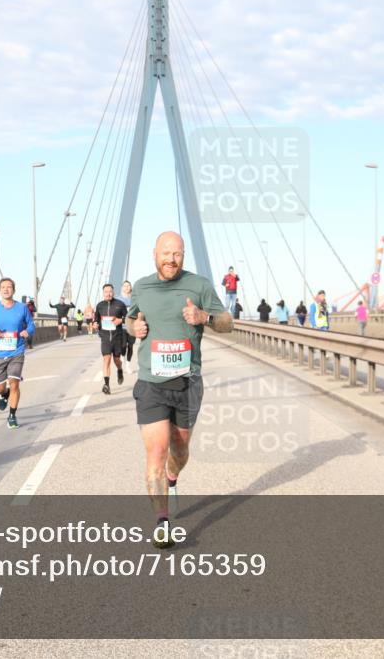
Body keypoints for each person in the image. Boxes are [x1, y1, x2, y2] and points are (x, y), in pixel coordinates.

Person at [126, 231, 233, 548]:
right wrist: (137, 328)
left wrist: (204, 316)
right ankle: (162, 522)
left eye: (178, 254)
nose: (171, 259)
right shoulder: (142, 286)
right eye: (166, 253)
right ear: (154, 253)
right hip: (151, 383)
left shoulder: (199, 285)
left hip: (187, 383)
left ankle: (174, 478)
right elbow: (133, 320)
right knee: (156, 452)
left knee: (179, 449)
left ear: (183, 256)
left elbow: (228, 322)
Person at [0, 277, 35, 429]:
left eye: (9, 287)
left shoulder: (22, 308)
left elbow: (31, 324)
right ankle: (4, 394)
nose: (6, 289)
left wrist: (27, 331)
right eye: (3, 287)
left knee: (14, 383)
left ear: (14, 290)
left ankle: (12, 415)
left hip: (17, 351)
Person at [94, 283, 128, 395]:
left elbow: (128, 318)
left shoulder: (120, 304)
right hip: (105, 337)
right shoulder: (99, 306)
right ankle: (107, 385)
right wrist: (95, 325)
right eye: (106, 291)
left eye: (110, 291)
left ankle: (119, 370)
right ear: (103, 293)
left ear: (113, 292)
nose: (108, 293)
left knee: (117, 361)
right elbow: (96, 320)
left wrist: (121, 321)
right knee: (106, 359)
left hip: (117, 337)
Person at [119, 280, 135, 361]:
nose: (127, 287)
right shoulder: (118, 299)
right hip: (122, 327)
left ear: (131, 287)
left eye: (128, 285)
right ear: (122, 288)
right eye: (125, 286)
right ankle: (122, 356)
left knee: (130, 346)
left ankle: (128, 364)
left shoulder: (134, 298)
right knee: (123, 345)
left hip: (132, 326)